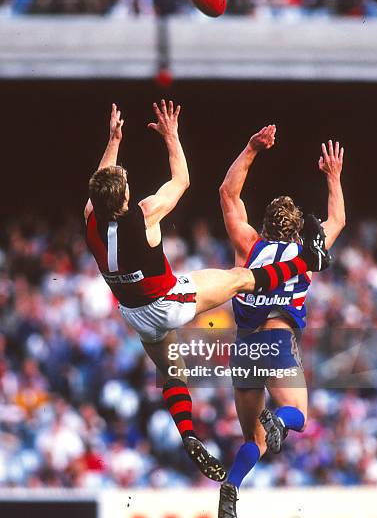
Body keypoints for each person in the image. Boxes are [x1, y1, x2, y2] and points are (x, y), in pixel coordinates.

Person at [84, 102, 330, 482]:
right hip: (167, 301)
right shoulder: (144, 214)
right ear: (126, 199)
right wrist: (171, 136)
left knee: (171, 371)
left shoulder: (90, 219)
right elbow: (181, 180)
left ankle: (188, 434)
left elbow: (100, 181)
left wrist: (113, 141)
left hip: (132, 311)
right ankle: (309, 261)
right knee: (241, 277)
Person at [218, 124, 345, 518]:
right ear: (295, 229)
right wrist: (333, 177)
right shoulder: (310, 252)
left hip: (243, 351)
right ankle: (280, 422)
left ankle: (231, 484)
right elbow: (338, 217)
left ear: (267, 224)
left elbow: (227, 193)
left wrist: (251, 148)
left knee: (252, 437)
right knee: (298, 415)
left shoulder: (249, 244)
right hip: (276, 343)